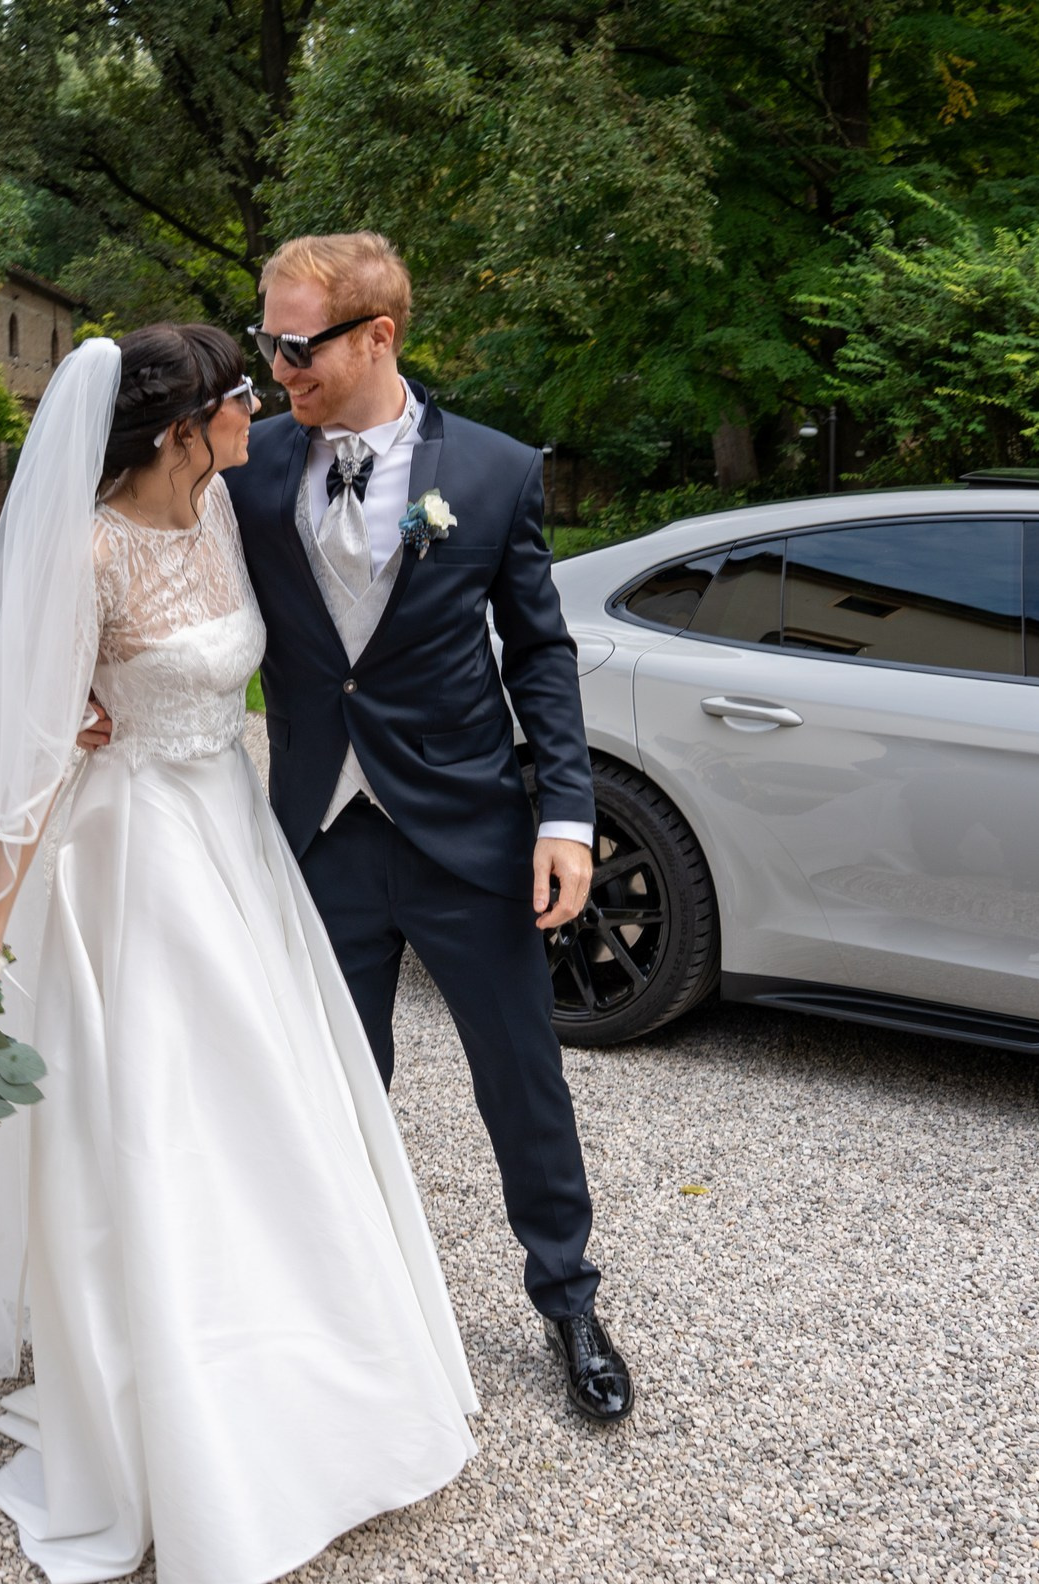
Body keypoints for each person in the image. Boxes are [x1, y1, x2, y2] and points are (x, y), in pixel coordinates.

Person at [0, 324, 477, 1584]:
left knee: (276, 1101)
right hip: (138, 860)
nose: (259, 414)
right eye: (238, 398)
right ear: (183, 428)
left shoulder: (228, 504)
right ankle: (181, 1407)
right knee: (168, 1120)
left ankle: (321, 1364)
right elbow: (37, 751)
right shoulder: (88, 548)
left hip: (236, 834)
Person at [222, 232, 632, 1423]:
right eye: (268, 340)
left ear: (375, 337)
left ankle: (568, 1301)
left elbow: (540, 653)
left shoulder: (496, 474)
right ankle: (347, 1310)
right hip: (318, 829)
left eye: (295, 345)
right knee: (337, 1083)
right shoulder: (248, 471)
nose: (277, 366)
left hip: (467, 827)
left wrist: (565, 811)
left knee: (522, 1076)